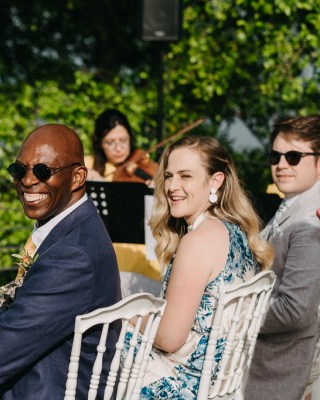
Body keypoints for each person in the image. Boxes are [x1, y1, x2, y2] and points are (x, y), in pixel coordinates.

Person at [0, 123, 122, 399]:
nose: (28, 181)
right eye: (19, 170)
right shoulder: (74, 228)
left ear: (78, 177)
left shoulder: (72, 255)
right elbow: (18, 314)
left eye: (43, 171)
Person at [137, 136, 273, 399]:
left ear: (215, 181)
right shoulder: (235, 232)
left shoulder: (197, 242)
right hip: (221, 383)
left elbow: (169, 338)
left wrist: (129, 314)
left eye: (185, 176)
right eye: (168, 176)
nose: (172, 186)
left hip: (185, 384)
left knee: (96, 336)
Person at [245, 116, 320, 400]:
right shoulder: (293, 204)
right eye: (275, 156)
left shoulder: (311, 220)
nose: (281, 164)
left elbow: (294, 311)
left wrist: (233, 314)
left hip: (277, 366)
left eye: (293, 156)